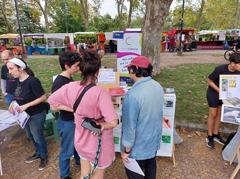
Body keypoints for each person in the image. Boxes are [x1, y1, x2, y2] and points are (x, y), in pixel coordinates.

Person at [48, 50, 118, 179]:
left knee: (85, 173)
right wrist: (101, 125)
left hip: (80, 140)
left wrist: (76, 109)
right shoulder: (100, 93)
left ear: (80, 70)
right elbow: (113, 122)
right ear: (98, 71)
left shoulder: (70, 86)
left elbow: (51, 100)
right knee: (97, 174)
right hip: (97, 143)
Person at [121, 56, 164, 179]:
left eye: (130, 69)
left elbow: (130, 125)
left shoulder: (133, 95)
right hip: (152, 144)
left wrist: (127, 150)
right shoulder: (157, 86)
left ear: (136, 70)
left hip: (137, 148)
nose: (129, 72)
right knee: (151, 170)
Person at [7, 58, 48, 170]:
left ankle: (43, 156)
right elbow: (16, 96)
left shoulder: (32, 81)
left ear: (20, 68)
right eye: (8, 69)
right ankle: (38, 152)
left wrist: (27, 105)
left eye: (11, 68)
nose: (9, 71)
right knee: (30, 136)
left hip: (36, 114)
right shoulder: (16, 81)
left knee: (37, 137)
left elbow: (44, 97)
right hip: (23, 116)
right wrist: (12, 104)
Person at [51, 52, 81, 179]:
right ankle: (64, 175)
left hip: (73, 120)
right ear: (66, 66)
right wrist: (74, 109)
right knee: (66, 150)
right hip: (67, 121)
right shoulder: (59, 82)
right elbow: (54, 105)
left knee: (77, 143)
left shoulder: (69, 78)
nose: (78, 68)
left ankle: (80, 161)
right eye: (76, 66)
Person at [206, 52, 240, 149]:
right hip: (214, 92)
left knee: (220, 114)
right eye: (239, 64)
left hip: (227, 94)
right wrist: (219, 90)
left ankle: (216, 134)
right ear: (232, 63)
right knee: (213, 113)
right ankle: (209, 136)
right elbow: (209, 80)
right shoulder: (220, 69)